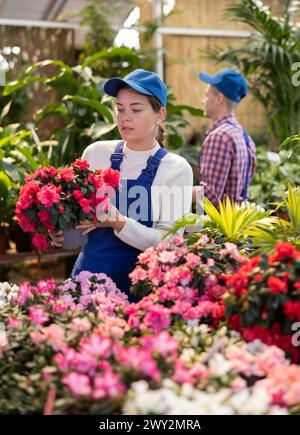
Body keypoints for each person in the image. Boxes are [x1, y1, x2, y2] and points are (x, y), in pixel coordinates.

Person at [52, 69, 193, 300]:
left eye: (136, 109)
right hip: (88, 285)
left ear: (160, 114)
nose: (125, 117)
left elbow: (168, 244)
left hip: (142, 291)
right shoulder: (96, 153)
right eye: (120, 108)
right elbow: (75, 216)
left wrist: (117, 222)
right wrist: (58, 230)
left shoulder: (176, 169)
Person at [192, 69, 256, 207]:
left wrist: (170, 192)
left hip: (219, 225)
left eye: (206, 95)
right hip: (238, 222)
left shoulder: (219, 137)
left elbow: (209, 195)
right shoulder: (244, 136)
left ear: (219, 98)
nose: (203, 101)